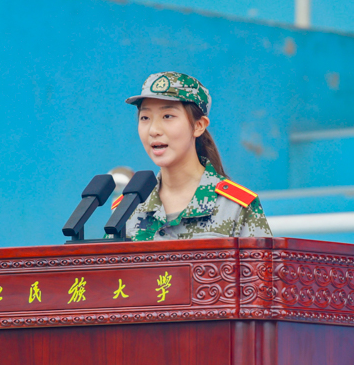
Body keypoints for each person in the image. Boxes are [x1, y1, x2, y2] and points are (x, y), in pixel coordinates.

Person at [115, 71, 272, 241]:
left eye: (168, 116)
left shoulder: (235, 207)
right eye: (145, 118)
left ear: (199, 125)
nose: (153, 130)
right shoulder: (128, 208)